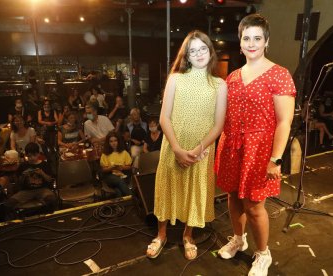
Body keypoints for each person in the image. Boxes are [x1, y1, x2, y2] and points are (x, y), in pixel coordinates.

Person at [214, 14, 296, 276]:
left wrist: (276, 158)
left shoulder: (279, 75)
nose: (251, 43)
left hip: (259, 149)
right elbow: (225, 115)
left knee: (253, 205)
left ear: (266, 41)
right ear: (240, 43)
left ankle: (263, 254)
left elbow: (284, 122)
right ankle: (239, 239)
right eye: (246, 38)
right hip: (232, 145)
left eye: (257, 38)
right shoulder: (233, 77)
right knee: (232, 198)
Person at [146, 30, 227, 260]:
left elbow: (218, 125)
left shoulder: (219, 85)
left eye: (203, 48)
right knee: (165, 189)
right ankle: (161, 235)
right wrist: (178, 150)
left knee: (195, 192)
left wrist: (196, 150)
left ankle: (188, 236)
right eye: (193, 50)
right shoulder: (176, 79)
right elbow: (164, 118)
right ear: (186, 56)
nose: (199, 54)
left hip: (201, 152)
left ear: (210, 52)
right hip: (173, 147)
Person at [4, 142, 56, 215]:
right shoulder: (23, 165)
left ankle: (46, 215)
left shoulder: (44, 164)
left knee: (51, 199)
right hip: (26, 191)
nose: (32, 158)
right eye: (29, 156)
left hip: (42, 189)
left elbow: (50, 179)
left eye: (34, 155)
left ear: (38, 154)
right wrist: (23, 176)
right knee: (9, 203)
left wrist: (42, 173)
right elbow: (18, 183)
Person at [100, 131, 132, 197]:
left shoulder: (124, 152)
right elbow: (103, 170)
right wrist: (112, 168)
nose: (113, 143)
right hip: (110, 176)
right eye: (111, 141)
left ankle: (120, 206)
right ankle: (133, 199)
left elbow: (129, 167)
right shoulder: (105, 154)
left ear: (118, 141)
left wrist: (122, 167)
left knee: (119, 191)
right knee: (119, 181)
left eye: (115, 141)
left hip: (122, 174)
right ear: (108, 143)